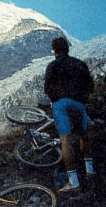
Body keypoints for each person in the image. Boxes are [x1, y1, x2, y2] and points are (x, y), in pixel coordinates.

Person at [44, 37, 96, 192]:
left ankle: (74, 182)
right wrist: (82, 99)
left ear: (54, 50)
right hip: (79, 103)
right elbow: (90, 86)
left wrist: (55, 99)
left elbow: (47, 87)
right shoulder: (80, 64)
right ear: (67, 48)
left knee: (65, 141)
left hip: (61, 104)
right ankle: (90, 171)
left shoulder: (52, 65)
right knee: (84, 136)